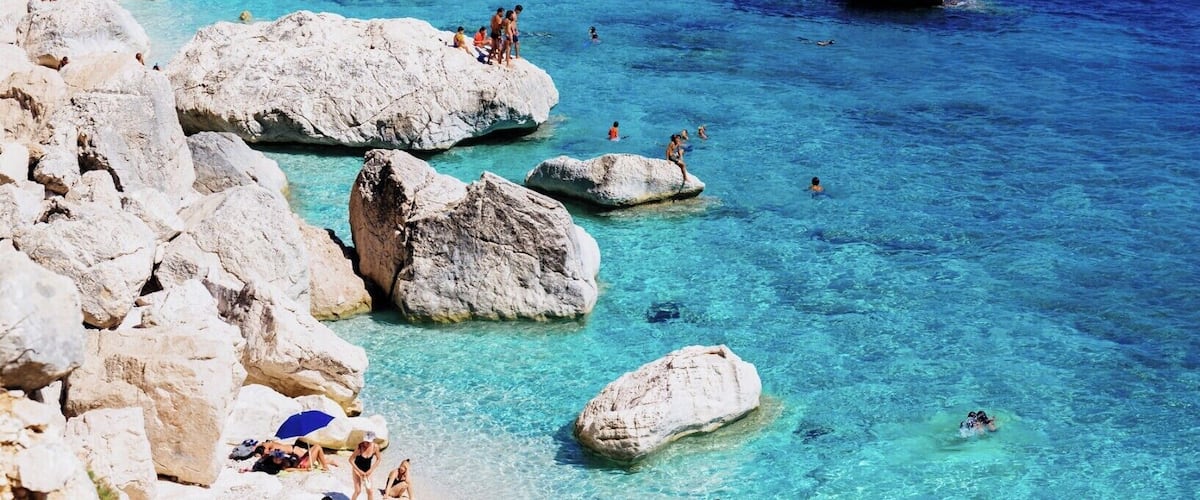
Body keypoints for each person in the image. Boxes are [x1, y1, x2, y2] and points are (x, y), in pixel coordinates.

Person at [350, 434, 381, 500]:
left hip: (368, 471)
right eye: (365, 441)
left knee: (370, 491)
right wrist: (359, 471)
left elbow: (378, 459)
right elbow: (351, 460)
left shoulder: (375, 447)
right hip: (357, 469)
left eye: (368, 442)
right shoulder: (360, 447)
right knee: (358, 491)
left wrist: (371, 470)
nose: (366, 443)